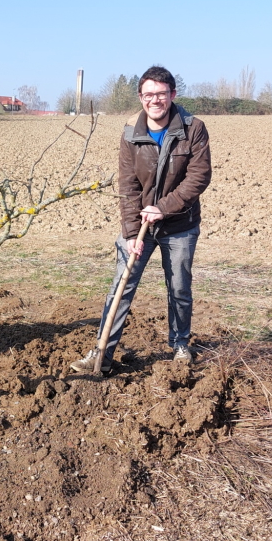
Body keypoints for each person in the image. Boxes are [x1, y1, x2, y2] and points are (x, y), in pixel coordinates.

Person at [71, 66, 211, 374]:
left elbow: (199, 176)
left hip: (180, 226)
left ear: (172, 95)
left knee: (179, 288)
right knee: (122, 285)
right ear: (141, 97)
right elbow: (128, 185)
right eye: (149, 94)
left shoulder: (193, 128)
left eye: (161, 94)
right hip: (141, 228)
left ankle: (180, 346)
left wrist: (164, 207)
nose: (155, 100)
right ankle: (101, 354)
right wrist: (132, 234)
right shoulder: (130, 133)